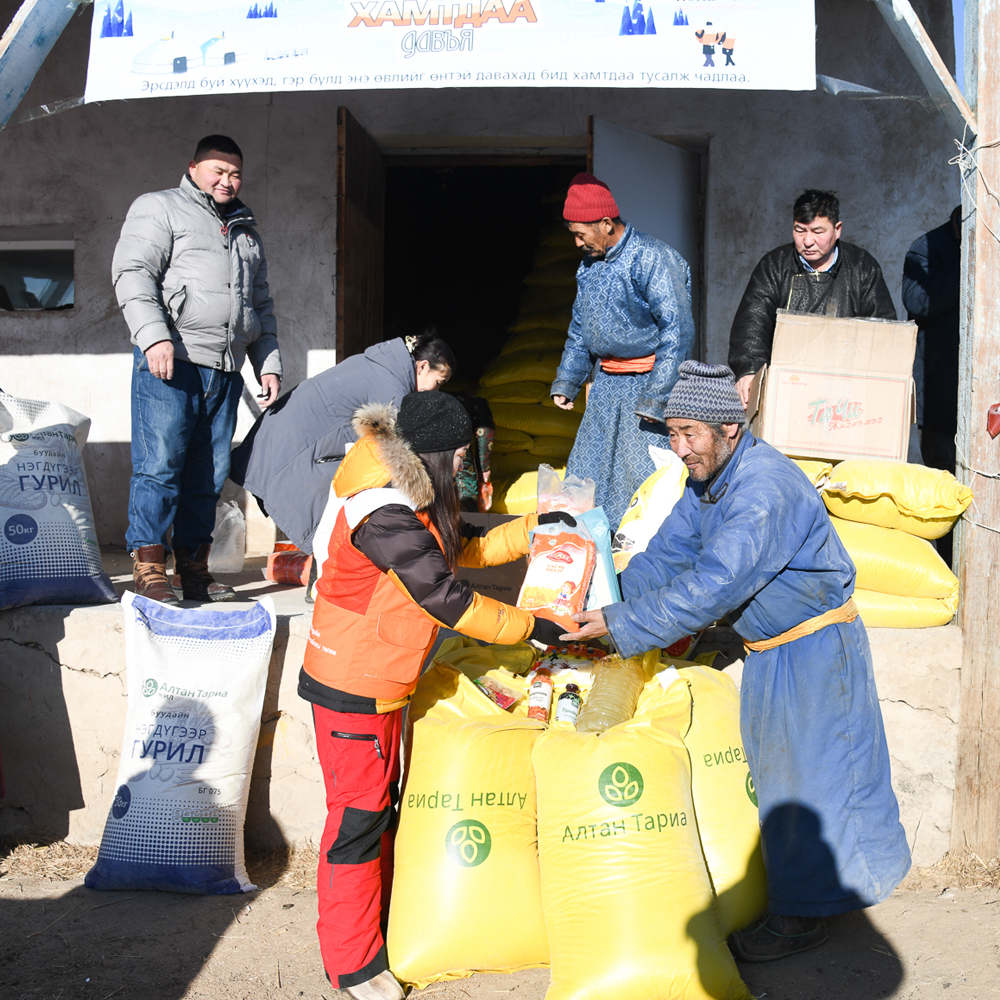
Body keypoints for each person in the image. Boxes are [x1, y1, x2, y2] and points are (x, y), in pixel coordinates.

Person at [568, 361, 911, 962]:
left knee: (813, 781)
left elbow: (715, 584)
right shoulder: (707, 483)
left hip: (814, 652)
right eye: (672, 434)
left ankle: (804, 916)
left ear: (729, 429)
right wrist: (608, 593)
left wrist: (623, 626)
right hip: (773, 652)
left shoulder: (763, 488)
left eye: (689, 434)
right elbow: (668, 555)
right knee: (783, 778)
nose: (679, 449)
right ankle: (811, 900)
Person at [298, 391, 576, 1000]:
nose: (465, 468)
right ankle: (351, 965)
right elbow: (445, 596)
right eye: (463, 456)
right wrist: (534, 627)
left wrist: (531, 531)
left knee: (376, 813)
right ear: (446, 453)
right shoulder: (382, 511)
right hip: (353, 684)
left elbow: (452, 552)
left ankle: (377, 932)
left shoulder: (405, 487)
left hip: (381, 680)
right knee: (357, 822)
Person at [113, 134, 280, 605]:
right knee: (160, 465)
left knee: (208, 474)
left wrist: (267, 362)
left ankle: (194, 568)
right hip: (171, 360)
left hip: (224, 369)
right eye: (218, 171)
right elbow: (133, 273)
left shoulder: (246, 229)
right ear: (193, 167)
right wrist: (154, 336)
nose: (228, 181)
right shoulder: (160, 208)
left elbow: (260, 304)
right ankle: (149, 567)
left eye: (235, 174)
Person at [550, 172, 695, 528]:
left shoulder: (653, 258)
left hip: (645, 389)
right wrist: (567, 380)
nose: (577, 244)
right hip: (604, 391)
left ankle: (636, 574)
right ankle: (587, 568)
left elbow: (677, 332)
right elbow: (581, 327)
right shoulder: (589, 266)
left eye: (580, 234)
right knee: (587, 479)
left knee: (641, 485)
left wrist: (656, 400)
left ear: (604, 224)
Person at [229, 332, 455, 555]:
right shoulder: (391, 386)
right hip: (295, 442)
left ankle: (322, 583)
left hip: (284, 435)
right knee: (331, 521)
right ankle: (322, 586)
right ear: (423, 366)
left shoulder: (385, 364)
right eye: (439, 382)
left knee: (335, 517)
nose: (436, 390)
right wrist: (427, 493)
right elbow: (395, 452)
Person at [728, 189, 897, 407]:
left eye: (818, 231)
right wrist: (750, 370)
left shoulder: (862, 267)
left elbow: (881, 329)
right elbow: (752, 322)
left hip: (846, 394)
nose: (808, 241)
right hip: (787, 389)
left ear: (837, 230)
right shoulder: (774, 266)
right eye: (800, 231)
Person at [902, 206, 961, 476]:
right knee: (944, 481)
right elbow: (918, 302)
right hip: (941, 402)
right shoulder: (927, 248)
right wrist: (969, 260)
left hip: (989, 400)